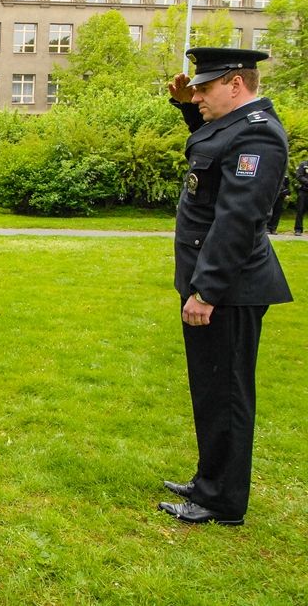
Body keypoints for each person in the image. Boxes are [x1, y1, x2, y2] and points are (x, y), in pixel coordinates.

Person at [161, 48, 292, 526]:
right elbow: (212, 154)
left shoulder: (260, 135)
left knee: (229, 394)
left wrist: (207, 291)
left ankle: (222, 501)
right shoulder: (239, 128)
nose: (198, 95)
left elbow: (237, 220)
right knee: (212, 388)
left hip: (229, 291)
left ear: (235, 83)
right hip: (215, 285)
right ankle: (209, 481)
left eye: (205, 88)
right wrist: (185, 108)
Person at [295, 159, 308, 236]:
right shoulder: (303, 164)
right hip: (304, 191)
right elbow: (299, 176)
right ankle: (298, 229)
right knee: (300, 211)